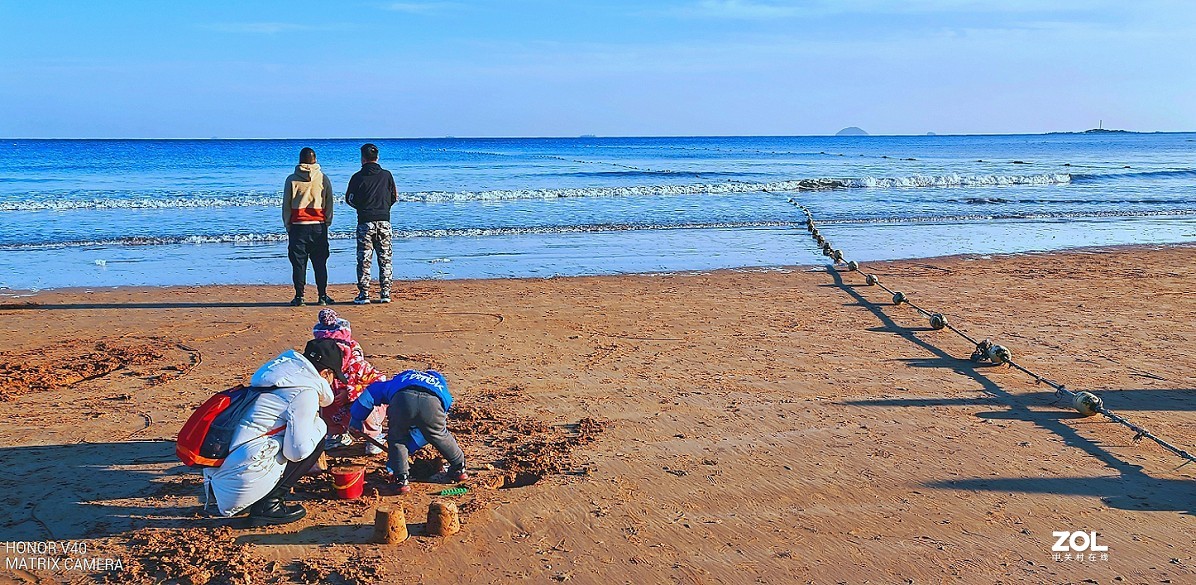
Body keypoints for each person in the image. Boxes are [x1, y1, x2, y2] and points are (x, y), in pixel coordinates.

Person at [202, 339, 345, 526]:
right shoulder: (304, 392)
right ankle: (269, 505)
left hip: (218, 483)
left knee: (293, 433)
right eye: (333, 376)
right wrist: (320, 427)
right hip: (238, 484)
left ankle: (254, 499)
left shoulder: (277, 377)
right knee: (316, 432)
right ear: (326, 373)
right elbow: (297, 452)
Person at [348, 370, 468, 495]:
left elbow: (370, 393)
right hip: (433, 404)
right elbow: (426, 433)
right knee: (439, 434)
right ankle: (459, 468)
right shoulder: (443, 390)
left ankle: (401, 480)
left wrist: (356, 418)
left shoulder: (399, 381)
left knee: (398, 439)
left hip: (402, 399)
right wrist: (409, 447)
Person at [311, 308, 388, 454]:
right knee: (323, 406)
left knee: (368, 406)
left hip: (358, 405)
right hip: (335, 409)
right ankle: (336, 434)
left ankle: (374, 436)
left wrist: (351, 392)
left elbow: (380, 383)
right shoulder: (320, 366)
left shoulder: (358, 365)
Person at [344, 143, 397, 305]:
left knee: (364, 259)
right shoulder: (386, 175)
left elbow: (349, 199)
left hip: (365, 221)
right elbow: (394, 196)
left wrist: (362, 208)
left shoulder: (357, 177)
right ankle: (385, 292)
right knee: (385, 258)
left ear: (363, 158)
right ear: (377, 157)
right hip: (384, 221)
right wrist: (384, 207)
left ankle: (364, 293)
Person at [283, 147, 335, 307]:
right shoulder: (323, 178)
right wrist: (327, 221)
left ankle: (299, 296)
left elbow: (286, 205)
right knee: (320, 263)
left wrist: (287, 223)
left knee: (299, 263)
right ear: (315, 160)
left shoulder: (292, 179)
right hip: (318, 225)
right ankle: (322, 295)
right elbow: (329, 202)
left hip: (298, 226)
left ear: (300, 161)